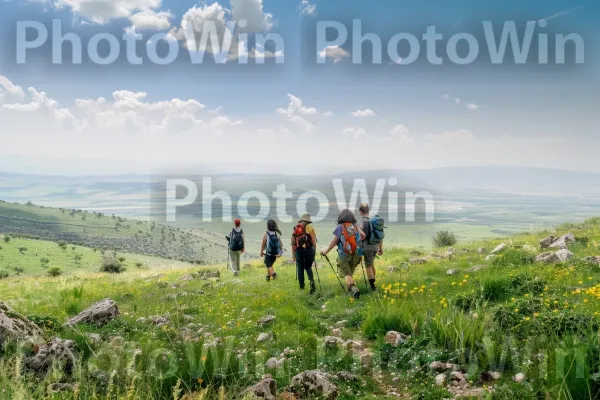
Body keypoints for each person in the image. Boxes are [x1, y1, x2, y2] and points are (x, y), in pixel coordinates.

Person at [321, 209, 366, 299]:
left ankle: (354, 289)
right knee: (350, 272)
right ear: (352, 218)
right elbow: (363, 235)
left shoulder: (340, 227)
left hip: (344, 255)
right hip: (356, 254)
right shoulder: (355, 226)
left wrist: (326, 252)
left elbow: (334, 241)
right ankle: (350, 291)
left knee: (346, 273)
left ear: (341, 218)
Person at [359, 203, 384, 292]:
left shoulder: (363, 221)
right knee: (371, 263)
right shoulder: (375, 221)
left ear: (361, 212)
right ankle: (374, 283)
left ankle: (373, 288)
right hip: (376, 245)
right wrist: (380, 248)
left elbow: (362, 236)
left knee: (368, 266)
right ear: (368, 211)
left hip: (368, 246)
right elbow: (381, 236)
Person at [292, 214, 318, 294]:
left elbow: (293, 243)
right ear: (308, 221)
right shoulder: (310, 228)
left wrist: (293, 255)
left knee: (300, 268)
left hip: (299, 251)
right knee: (308, 267)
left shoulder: (296, 228)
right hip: (309, 250)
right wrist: (314, 251)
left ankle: (302, 287)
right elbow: (313, 241)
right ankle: (312, 284)